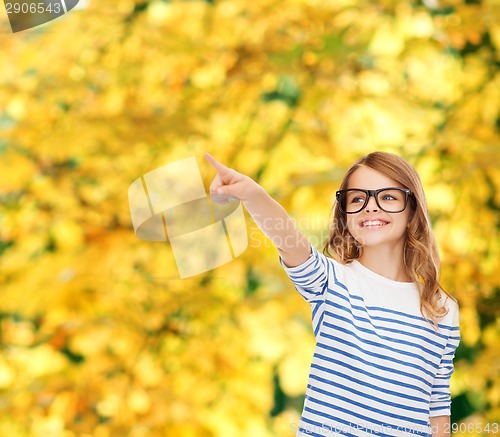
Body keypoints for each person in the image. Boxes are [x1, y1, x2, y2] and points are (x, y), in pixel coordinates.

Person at [204, 151, 460, 437]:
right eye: (357, 199)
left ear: (412, 210)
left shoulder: (442, 309)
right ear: (345, 216)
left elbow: (437, 406)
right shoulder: (332, 281)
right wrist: (252, 195)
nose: (370, 207)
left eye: (387, 197)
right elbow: (287, 239)